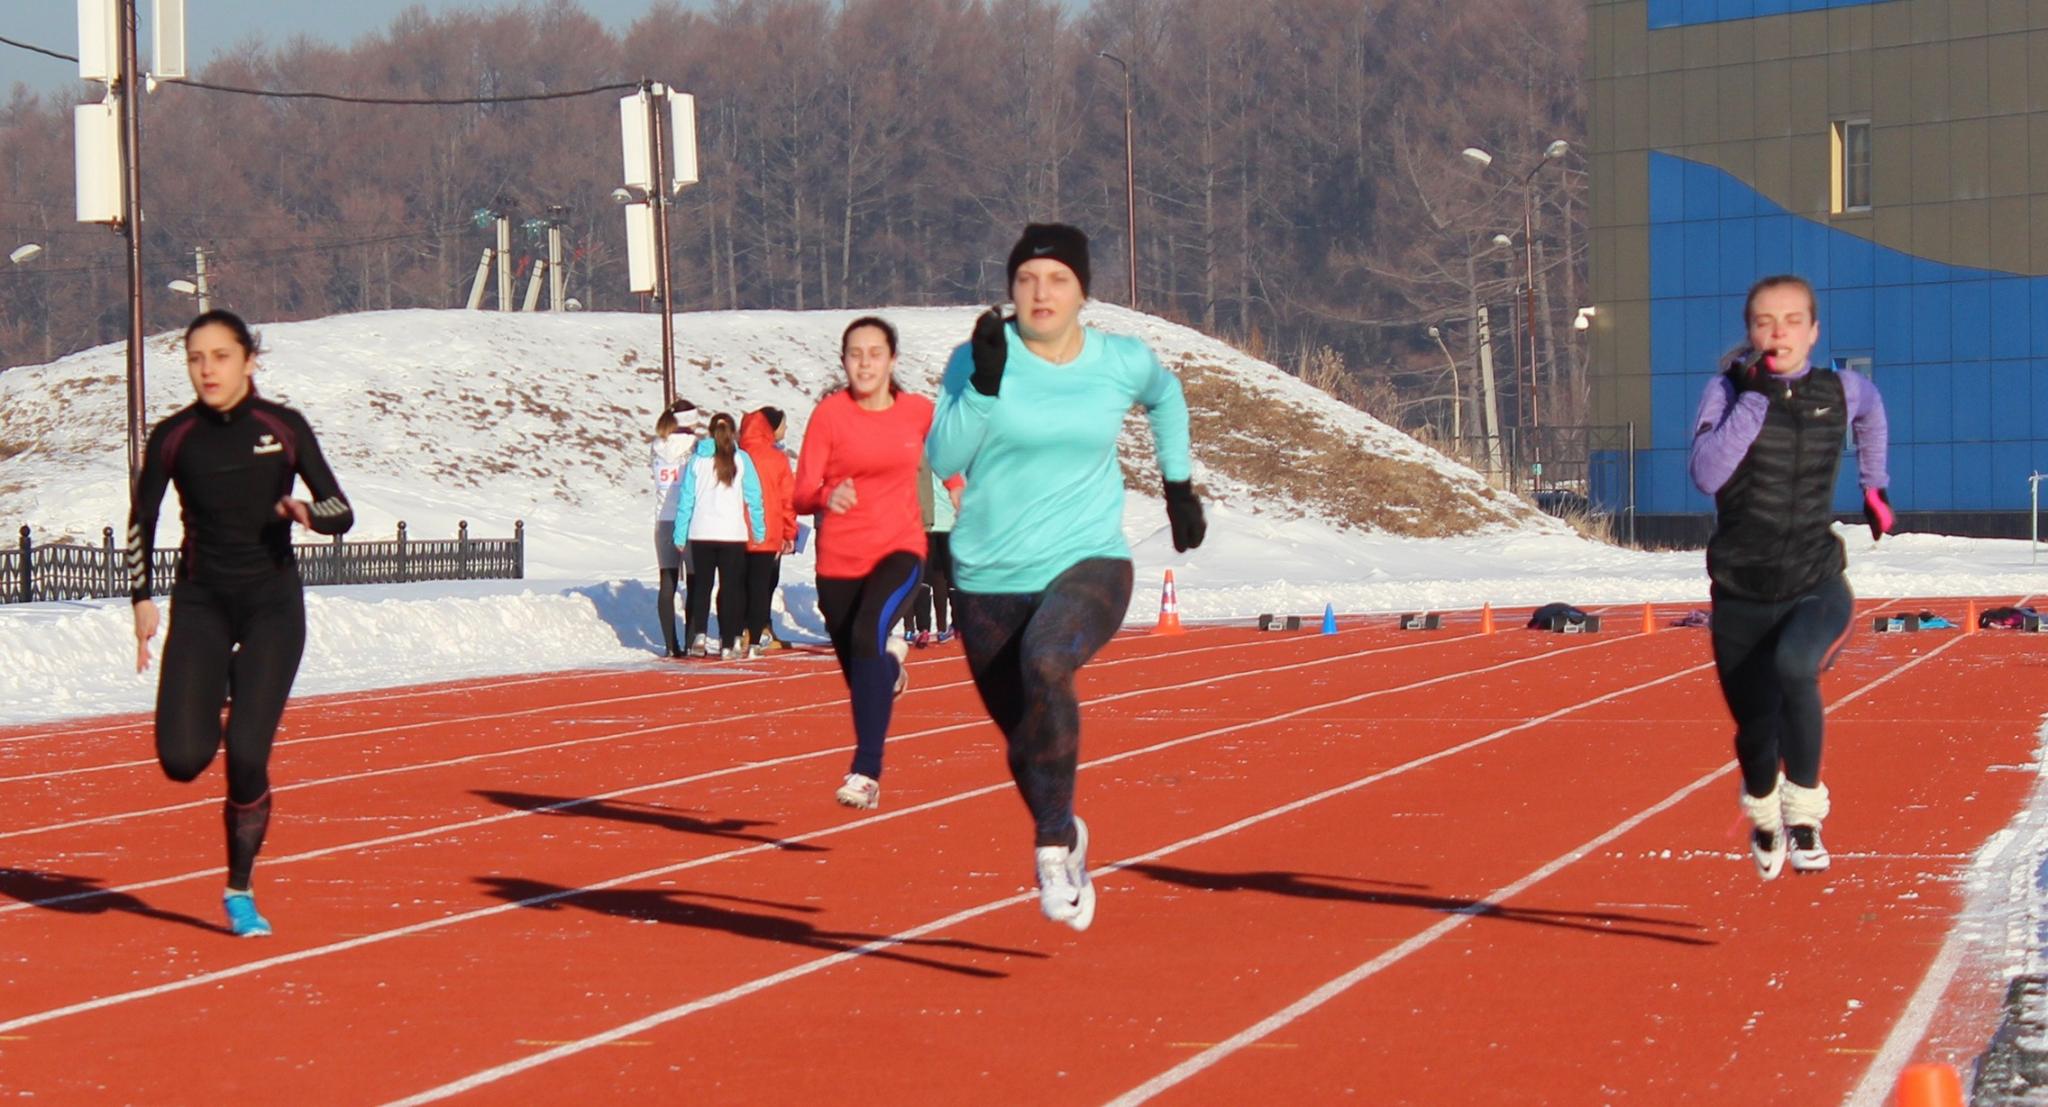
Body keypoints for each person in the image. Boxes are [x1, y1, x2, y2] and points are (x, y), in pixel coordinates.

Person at [927, 223, 1205, 931]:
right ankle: (1067, 827)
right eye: (1026, 279)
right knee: (1027, 739)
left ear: (1082, 289)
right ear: (1010, 289)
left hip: (1089, 559)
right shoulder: (978, 358)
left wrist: (1178, 487)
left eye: (1056, 279)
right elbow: (942, 452)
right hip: (989, 574)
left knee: (1047, 658)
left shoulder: (1119, 360)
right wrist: (984, 386)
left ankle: (1052, 849)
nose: (1040, 293)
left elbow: (1167, 396)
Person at [128, 309, 355, 937]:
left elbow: (342, 509)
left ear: (248, 360)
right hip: (201, 603)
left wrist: (307, 510)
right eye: (196, 358)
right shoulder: (174, 436)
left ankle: (239, 887)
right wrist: (141, 599)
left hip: (271, 608)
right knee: (181, 759)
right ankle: (222, 680)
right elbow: (140, 520)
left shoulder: (282, 427)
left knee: (248, 752)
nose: (208, 369)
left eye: (221, 356)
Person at [1689, 273, 1891, 880]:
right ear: (1751, 332)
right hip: (1742, 591)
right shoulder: (1726, 392)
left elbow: (1873, 411)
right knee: (1755, 735)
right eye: (1765, 322)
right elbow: (1706, 474)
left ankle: (1805, 817)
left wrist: (1873, 485)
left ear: (1813, 330)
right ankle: (1767, 818)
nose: (1779, 332)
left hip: (1815, 580)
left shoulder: (1842, 389)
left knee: (1796, 668)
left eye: (1792, 320)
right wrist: (1757, 397)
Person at [791, 317, 931, 811]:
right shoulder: (829, 416)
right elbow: (802, 491)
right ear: (844, 360)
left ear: (892, 360)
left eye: (875, 353)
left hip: (900, 549)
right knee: (862, 669)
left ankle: (867, 770)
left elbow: (956, 461)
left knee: (871, 627)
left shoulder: (918, 412)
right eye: (855, 353)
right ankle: (889, 666)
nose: (865, 362)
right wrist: (831, 492)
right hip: (838, 563)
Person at [671, 412, 766, 659]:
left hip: (701, 533)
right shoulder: (742, 458)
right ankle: (727, 643)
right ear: (733, 433)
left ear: (710, 433)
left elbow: (686, 499)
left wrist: (680, 534)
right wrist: (759, 530)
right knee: (731, 589)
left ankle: (700, 634)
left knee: (702, 586)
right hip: (732, 534)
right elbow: (754, 497)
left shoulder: (697, 461)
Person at [739, 407, 797, 657]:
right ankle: (758, 631)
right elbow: (788, 499)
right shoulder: (776, 458)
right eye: (783, 425)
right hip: (769, 529)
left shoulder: (737, 452)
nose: (786, 430)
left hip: (737, 529)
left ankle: (737, 632)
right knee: (762, 584)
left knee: (738, 583)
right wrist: (789, 531)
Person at [650, 400, 700, 658]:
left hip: (663, 520)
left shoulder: (657, 445)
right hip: (689, 519)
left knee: (667, 582)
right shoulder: (695, 446)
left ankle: (671, 644)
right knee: (694, 581)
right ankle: (692, 641)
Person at [902, 459, 962, 647]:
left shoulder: (919, 450)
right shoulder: (949, 450)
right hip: (935, 521)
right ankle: (945, 626)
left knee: (930, 577)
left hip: (930, 521)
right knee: (946, 577)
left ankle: (926, 628)